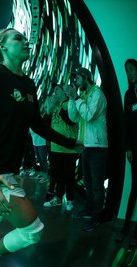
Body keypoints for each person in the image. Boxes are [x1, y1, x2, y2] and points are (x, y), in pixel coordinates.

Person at [0, 28, 77, 266]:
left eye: (25, 38)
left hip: (9, 170)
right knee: (33, 230)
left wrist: (71, 143)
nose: (26, 41)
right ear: (2, 46)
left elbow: (38, 125)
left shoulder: (29, 85)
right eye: (18, 38)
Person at [66, 67, 108, 232]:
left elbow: (89, 116)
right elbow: (74, 117)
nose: (75, 81)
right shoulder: (82, 96)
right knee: (89, 185)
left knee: (97, 186)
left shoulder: (97, 94)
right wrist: (72, 99)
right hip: (86, 147)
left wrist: (76, 98)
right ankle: (89, 211)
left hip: (98, 147)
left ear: (86, 77)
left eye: (77, 78)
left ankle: (97, 217)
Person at [43, 84, 79, 211]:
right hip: (55, 148)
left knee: (69, 175)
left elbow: (70, 120)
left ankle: (70, 199)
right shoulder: (53, 107)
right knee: (57, 175)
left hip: (69, 148)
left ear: (64, 92)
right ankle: (57, 198)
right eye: (53, 91)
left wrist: (57, 106)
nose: (54, 93)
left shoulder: (69, 103)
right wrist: (48, 110)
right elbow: (44, 126)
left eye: (57, 90)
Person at [116, 58, 137, 242]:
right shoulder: (128, 94)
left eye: (132, 69)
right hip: (135, 149)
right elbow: (126, 123)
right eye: (127, 71)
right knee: (134, 189)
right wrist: (128, 148)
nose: (130, 73)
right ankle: (125, 228)